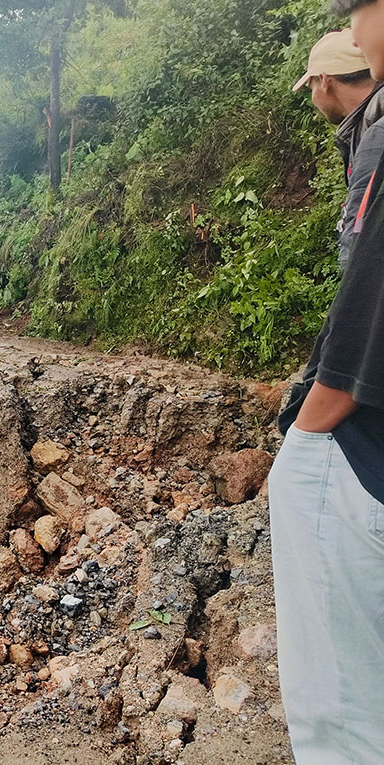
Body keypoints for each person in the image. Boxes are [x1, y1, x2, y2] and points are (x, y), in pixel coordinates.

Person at [269, 3, 384, 763]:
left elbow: (369, 288)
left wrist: (314, 411)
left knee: (339, 707)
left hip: (363, 422)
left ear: (320, 85)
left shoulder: (378, 135)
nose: (357, 18)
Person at [295, 28, 384, 270]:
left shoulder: (377, 132)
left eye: (310, 86)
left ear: (324, 81)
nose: (313, 98)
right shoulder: (366, 124)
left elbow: (359, 248)